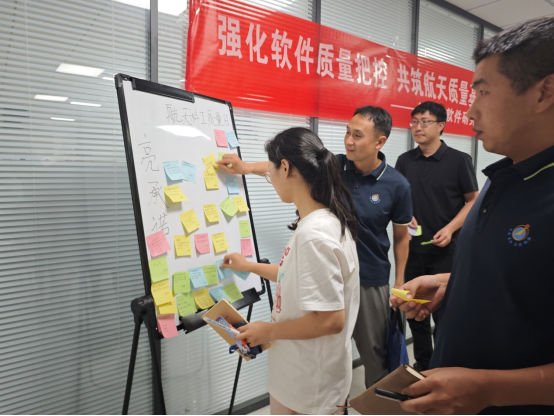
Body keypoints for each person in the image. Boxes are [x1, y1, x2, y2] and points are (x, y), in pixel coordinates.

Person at [392, 17, 554, 415]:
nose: (470, 110)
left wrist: (486, 389)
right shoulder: (503, 177)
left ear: (544, 92)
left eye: (483, 92)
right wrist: (452, 284)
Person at [219, 106, 413, 389]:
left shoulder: (396, 185)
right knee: (328, 346)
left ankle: (380, 402)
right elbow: (286, 165)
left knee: (374, 353)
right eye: (347, 132)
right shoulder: (333, 165)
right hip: (326, 274)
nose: (348, 141)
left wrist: (399, 281)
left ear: (379, 142)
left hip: (369, 278)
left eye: (357, 135)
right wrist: (246, 167)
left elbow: (401, 236)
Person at [220, 128, 360, 415]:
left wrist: (268, 331)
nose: (270, 177)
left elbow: (331, 320)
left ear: (285, 167)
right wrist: (248, 266)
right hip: (305, 375)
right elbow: (293, 275)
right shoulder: (325, 219)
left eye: (270, 170)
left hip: (308, 385)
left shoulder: (314, 235)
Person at [395, 101, 479, 372]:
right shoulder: (404, 160)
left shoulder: (459, 160)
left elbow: (472, 201)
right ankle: (424, 363)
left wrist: (451, 228)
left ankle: (444, 363)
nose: (418, 127)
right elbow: (398, 199)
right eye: (414, 122)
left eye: (425, 122)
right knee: (414, 309)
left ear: (441, 126)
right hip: (413, 250)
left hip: (447, 250)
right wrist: (406, 215)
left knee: (445, 311)